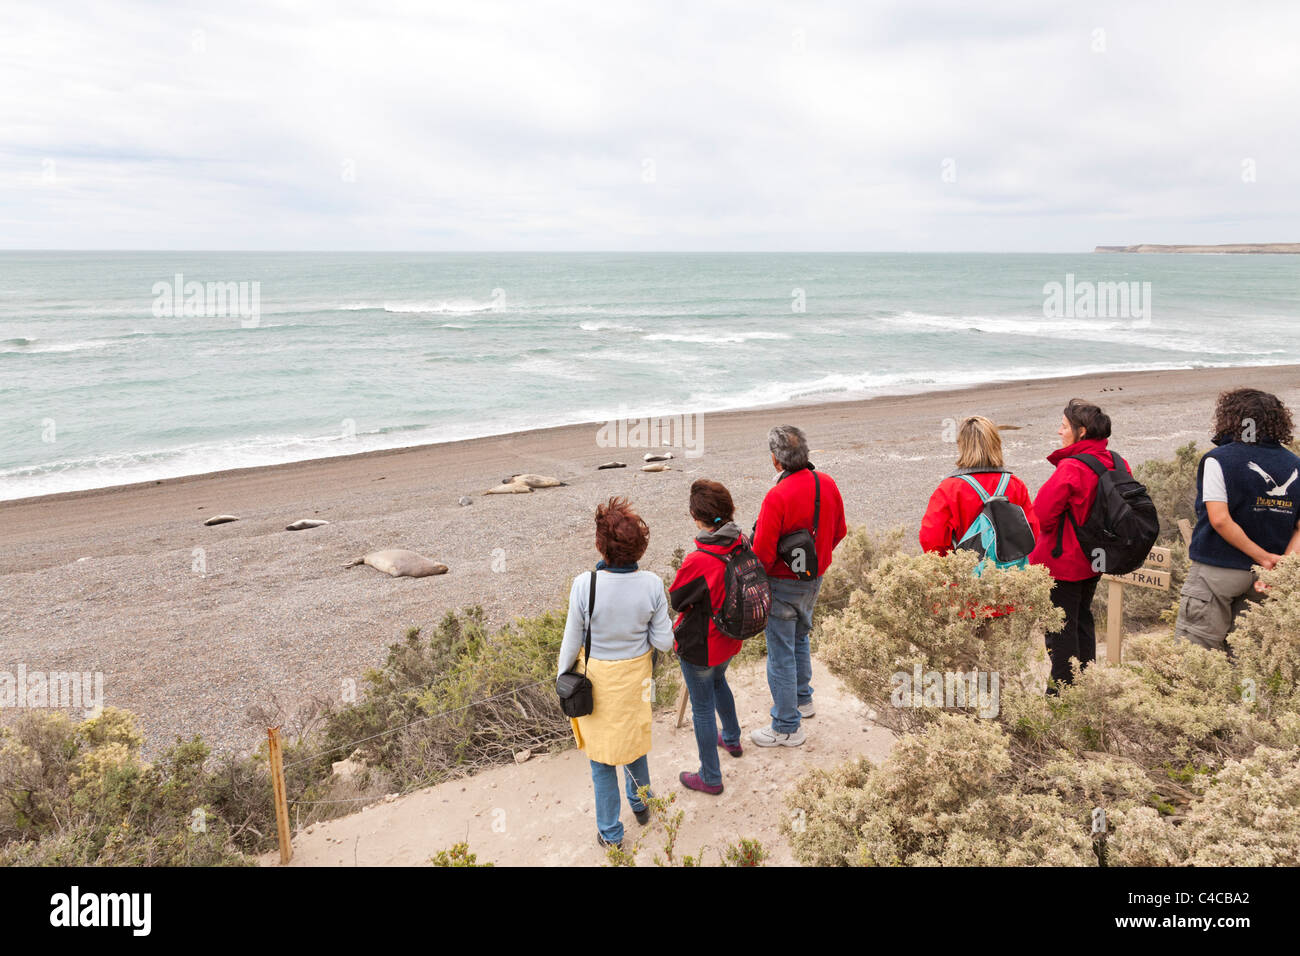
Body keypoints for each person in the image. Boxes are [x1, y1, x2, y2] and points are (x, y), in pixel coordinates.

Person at [557, 496, 673, 850]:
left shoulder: (585, 585)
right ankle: (641, 804)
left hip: (597, 683)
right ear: (640, 545)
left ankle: (610, 833)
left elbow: (571, 641)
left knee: (601, 759)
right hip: (636, 680)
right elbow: (665, 643)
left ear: (600, 544)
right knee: (635, 745)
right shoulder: (652, 584)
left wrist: (562, 678)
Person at [1176, 388, 1300, 653]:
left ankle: (1199, 697)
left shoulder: (1219, 459)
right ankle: (1245, 697)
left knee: (1197, 656)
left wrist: (1262, 556)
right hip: (1266, 580)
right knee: (1246, 658)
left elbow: (1220, 520)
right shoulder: (1295, 464)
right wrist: (1280, 566)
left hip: (1218, 571)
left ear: (1231, 418)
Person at [750, 425, 847, 746]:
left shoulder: (777, 496)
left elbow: (762, 553)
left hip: (782, 583)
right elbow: (840, 530)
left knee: (780, 653)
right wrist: (819, 557)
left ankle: (786, 726)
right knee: (801, 636)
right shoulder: (827, 483)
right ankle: (803, 699)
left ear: (777, 461)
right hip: (814, 579)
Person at [1028, 399, 1118, 690]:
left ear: (1081, 432)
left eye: (1064, 426)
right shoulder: (1116, 460)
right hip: (1097, 557)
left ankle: (1062, 696)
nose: (1059, 431)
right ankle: (1087, 684)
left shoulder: (1073, 467)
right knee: (1082, 620)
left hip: (1065, 561)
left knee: (1060, 629)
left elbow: (1041, 513)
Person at [668, 479, 746, 795]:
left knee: (701, 708)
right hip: (731, 637)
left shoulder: (698, 560)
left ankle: (711, 777)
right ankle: (732, 738)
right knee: (719, 682)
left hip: (702, 646)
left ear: (696, 518)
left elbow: (677, 600)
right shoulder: (743, 541)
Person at [920, 415, 1040, 556]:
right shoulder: (1015, 484)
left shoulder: (949, 489)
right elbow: (1031, 532)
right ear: (996, 443)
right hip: (1009, 572)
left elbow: (932, 539)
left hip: (967, 572)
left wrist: (950, 568)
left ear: (962, 446)